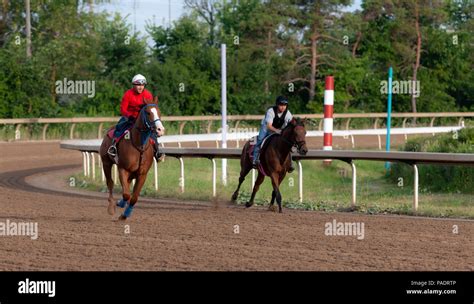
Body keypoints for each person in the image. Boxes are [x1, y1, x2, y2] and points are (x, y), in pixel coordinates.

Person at [107, 74, 164, 161]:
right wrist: (129, 116)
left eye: (142, 85)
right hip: (129, 117)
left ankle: (157, 151)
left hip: (143, 119)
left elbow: (150, 109)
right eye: (138, 85)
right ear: (133, 85)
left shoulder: (148, 94)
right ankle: (113, 147)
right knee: (119, 127)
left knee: (152, 131)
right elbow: (123, 109)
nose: (140, 87)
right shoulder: (128, 94)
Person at [253, 95, 295, 172]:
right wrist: (277, 131)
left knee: (287, 143)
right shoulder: (270, 111)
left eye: (285, 105)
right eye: (281, 105)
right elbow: (269, 126)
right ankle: (255, 159)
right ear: (277, 104)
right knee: (260, 140)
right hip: (266, 128)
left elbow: (290, 125)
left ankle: (290, 162)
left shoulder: (288, 113)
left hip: (278, 128)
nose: (283, 107)